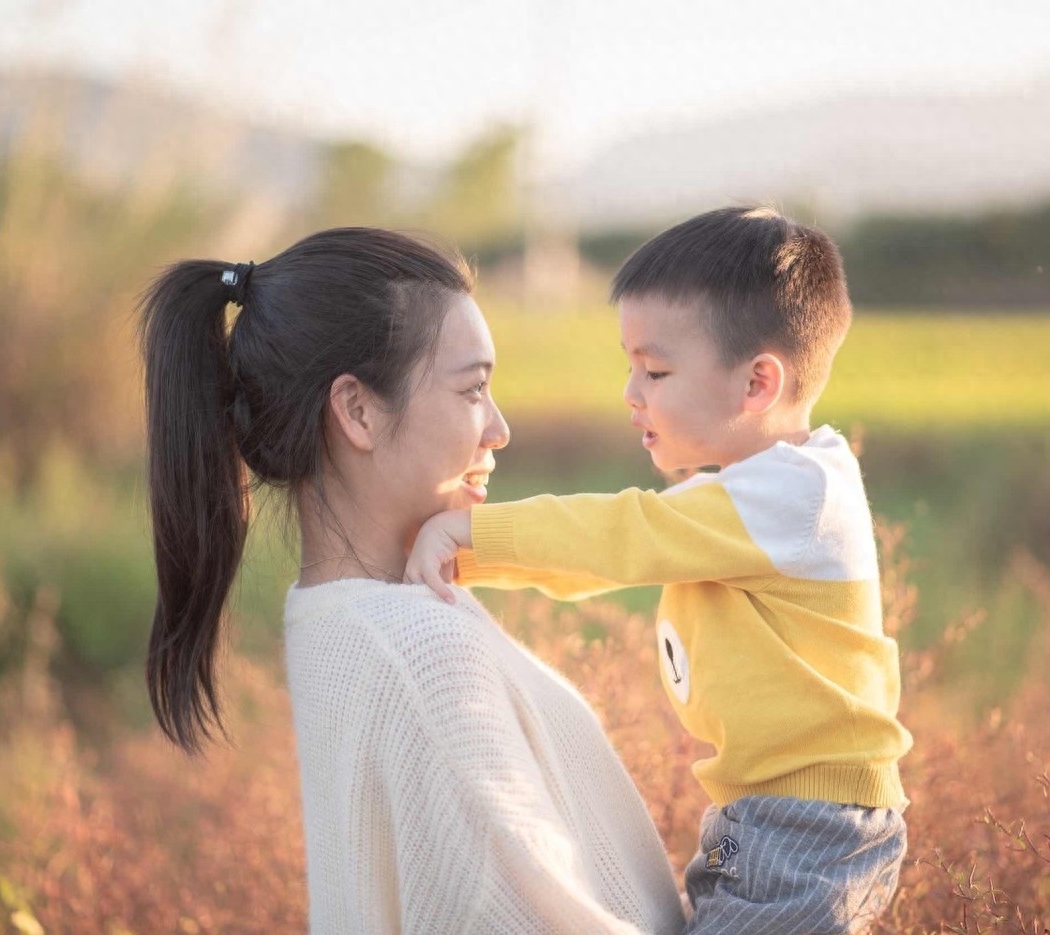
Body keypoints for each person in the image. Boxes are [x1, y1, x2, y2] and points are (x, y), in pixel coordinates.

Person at [138, 228, 686, 934]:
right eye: (474, 388)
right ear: (358, 410)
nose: (500, 427)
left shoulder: (329, 619)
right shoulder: (423, 650)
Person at [405, 207, 914, 934]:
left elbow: (622, 536)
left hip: (811, 831)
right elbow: (607, 558)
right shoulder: (751, 498)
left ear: (757, 384)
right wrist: (464, 558)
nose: (631, 391)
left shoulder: (794, 495)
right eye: (630, 365)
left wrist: (467, 535)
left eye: (657, 369)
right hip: (753, 815)